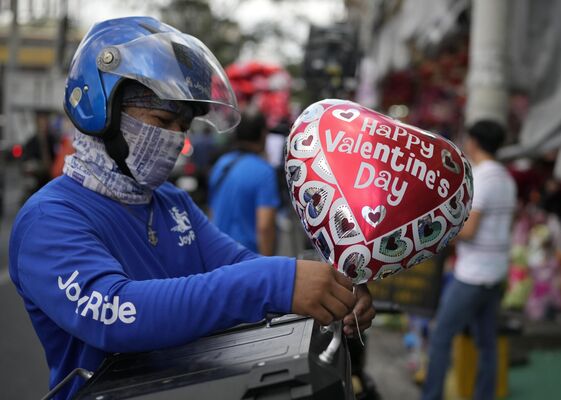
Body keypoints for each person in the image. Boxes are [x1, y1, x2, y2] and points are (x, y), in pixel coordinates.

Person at [8, 17, 375, 399]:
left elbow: (234, 263)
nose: (174, 139)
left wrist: (329, 288)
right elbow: (117, 314)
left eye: (182, 127)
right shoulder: (49, 218)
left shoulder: (171, 202)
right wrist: (276, 282)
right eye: (162, 120)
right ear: (101, 112)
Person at [422, 120, 517, 400]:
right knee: (487, 342)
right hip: (496, 272)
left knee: (441, 337)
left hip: (473, 275)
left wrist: (438, 232)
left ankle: (431, 396)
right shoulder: (506, 179)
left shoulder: (483, 178)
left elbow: (470, 230)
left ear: (474, 142)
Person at [209, 109, 279, 255]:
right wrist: (268, 265)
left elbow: (212, 211)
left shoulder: (221, 165)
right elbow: (265, 227)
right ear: (262, 135)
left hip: (218, 256)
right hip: (248, 260)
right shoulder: (264, 171)